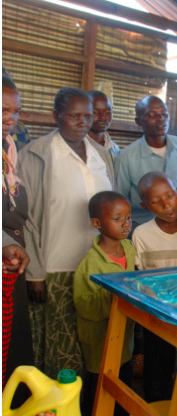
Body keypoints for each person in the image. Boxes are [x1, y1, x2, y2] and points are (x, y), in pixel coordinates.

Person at [18, 87, 114, 380]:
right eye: (74, 116)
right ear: (56, 116)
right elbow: (27, 219)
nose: (82, 122)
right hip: (55, 267)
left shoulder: (102, 154)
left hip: (98, 267)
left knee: (96, 343)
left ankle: (89, 414)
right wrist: (35, 272)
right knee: (60, 346)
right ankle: (58, 414)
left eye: (88, 116)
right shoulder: (35, 154)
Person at [132, 171, 177, 401]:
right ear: (144, 205)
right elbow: (140, 278)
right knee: (157, 373)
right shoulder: (142, 235)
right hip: (158, 316)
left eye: (170, 196)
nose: (166, 204)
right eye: (155, 201)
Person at [73, 191, 136, 416]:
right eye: (118, 219)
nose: (126, 224)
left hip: (125, 338)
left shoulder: (129, 249)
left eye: (128, 218)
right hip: (100, 342)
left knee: (124, 384)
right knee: (99, 390)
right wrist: (117, 296)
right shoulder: (90, 263)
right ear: (97, 224)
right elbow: (85, 306)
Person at [115, 95, 177, 232]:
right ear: (138, 121)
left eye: (164, 114)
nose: (161, 119)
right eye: (152, 115)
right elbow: (120, 199)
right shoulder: (126, 157)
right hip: (143, 229)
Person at [2, 76, 34, 392]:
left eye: (15, 111)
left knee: (11, 345)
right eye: (3, 110)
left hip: (11, 263)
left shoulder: (9, 148)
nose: (10, 119)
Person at [87, 90, 121, 162]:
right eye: (94, 112)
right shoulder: (77, 146)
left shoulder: (114, 149)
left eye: (107, 113)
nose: (102, 117)